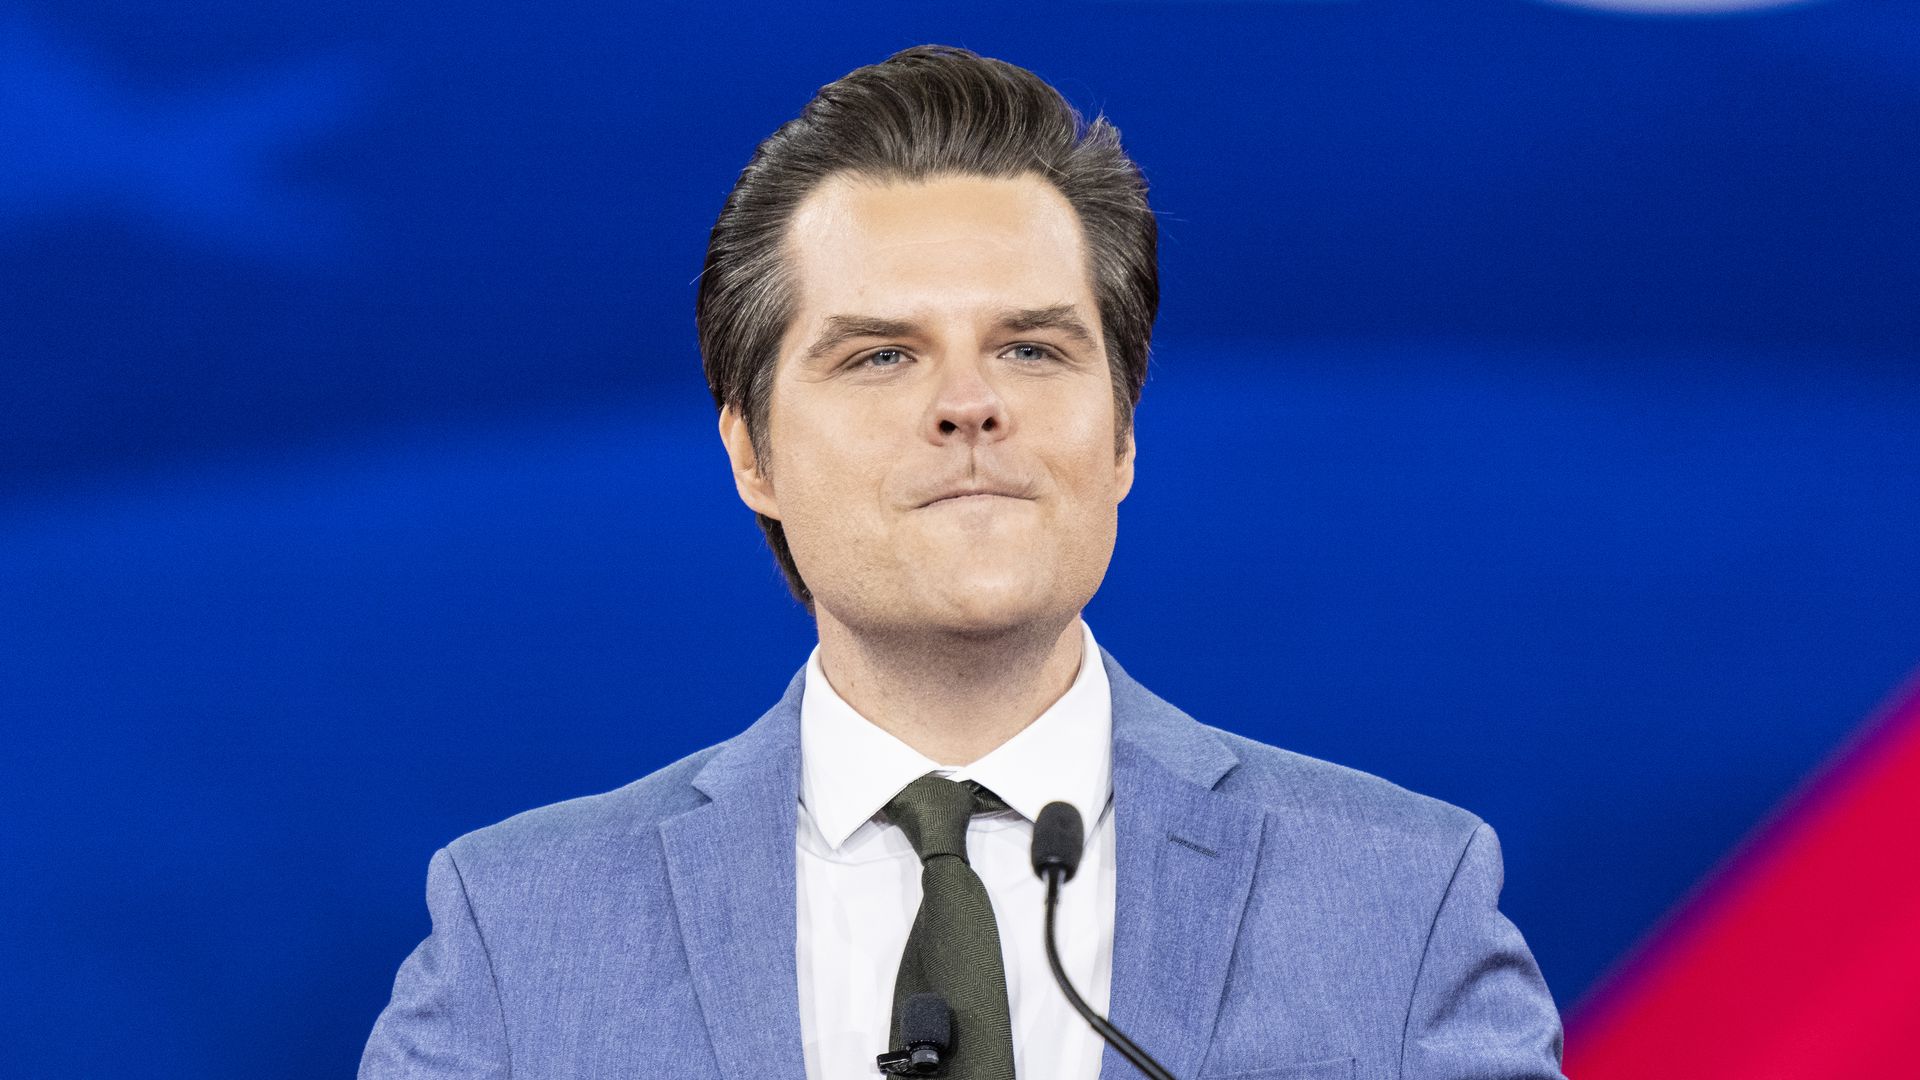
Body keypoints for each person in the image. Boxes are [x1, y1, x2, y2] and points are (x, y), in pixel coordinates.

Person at [359, 44, 1566, 1080]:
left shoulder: (1402, 905)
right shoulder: (517, 936)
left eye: (1035, 350)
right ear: (752, 452)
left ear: (1124, 436)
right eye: (882, 356)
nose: (970, 404)